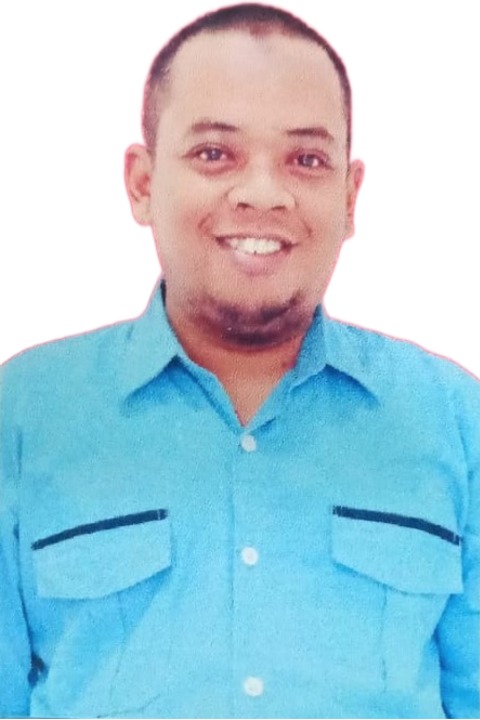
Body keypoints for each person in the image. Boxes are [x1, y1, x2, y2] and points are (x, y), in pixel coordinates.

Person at [0, 3, 478, 717]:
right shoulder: (24, 414)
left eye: (306, 160)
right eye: (214, 154)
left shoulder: (453, 418)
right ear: (141, 183)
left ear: (350, 197)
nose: (262, 194)